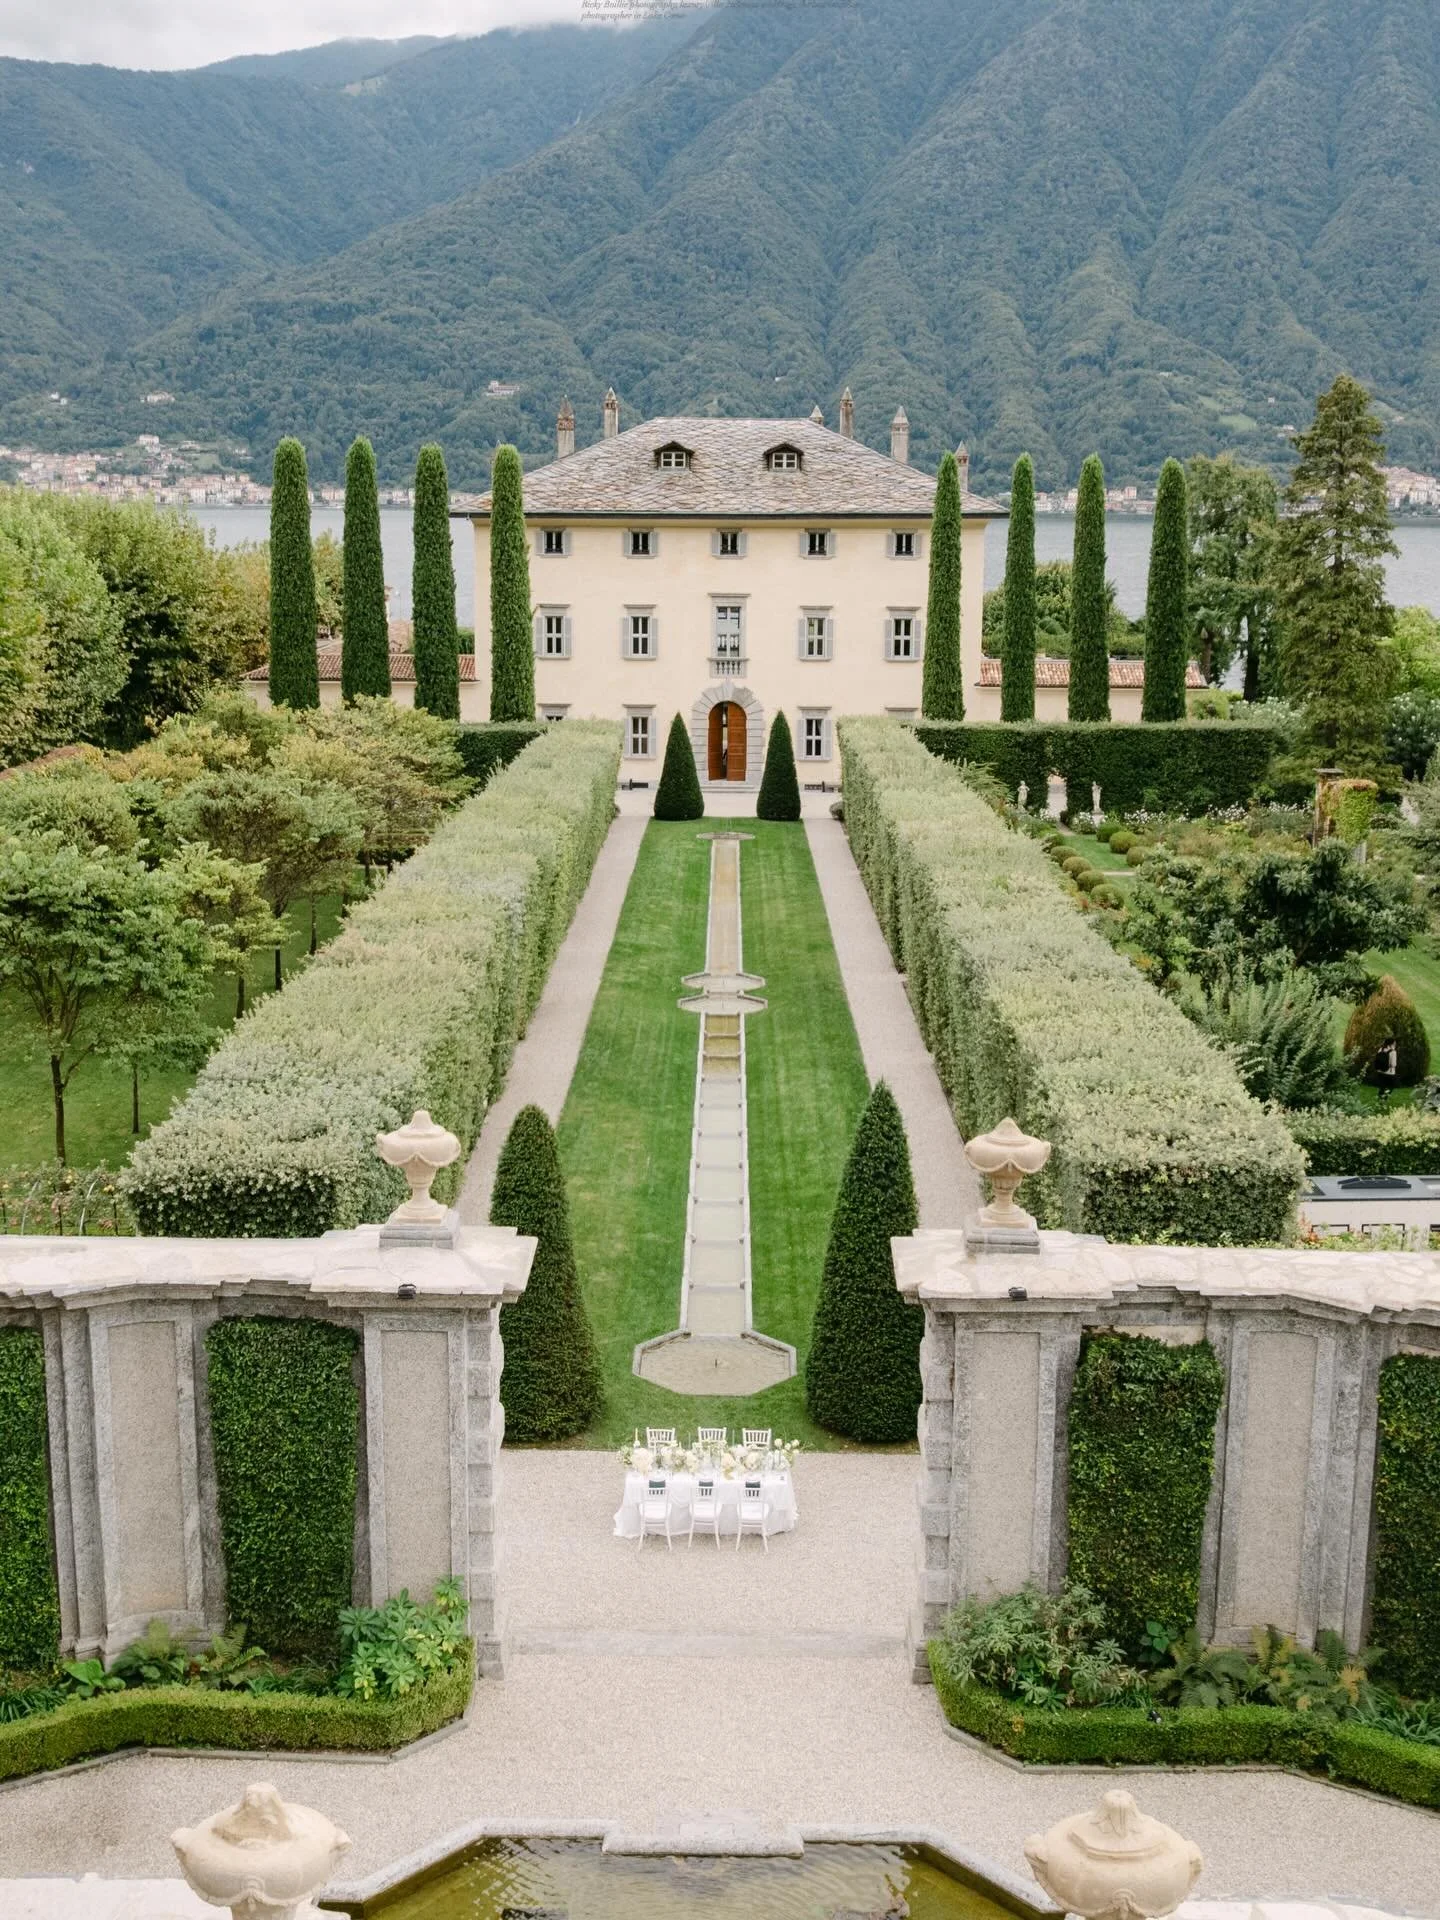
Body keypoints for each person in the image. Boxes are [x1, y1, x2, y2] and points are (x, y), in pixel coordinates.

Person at [1375, 1036, 1399, 1105]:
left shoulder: (1381, 1049)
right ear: (1392, 1043)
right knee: (1391, 1087)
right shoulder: (1393, 1052)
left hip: (1380, 1071)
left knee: (1382, 1086)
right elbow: (1393, 1064)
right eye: (1394, 1042)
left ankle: (1380, 1099)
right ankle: (1384, 1099)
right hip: (1389, 1072)